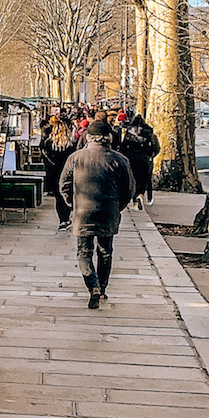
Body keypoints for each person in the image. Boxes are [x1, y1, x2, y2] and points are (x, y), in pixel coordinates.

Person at [60, 121, 135, 309]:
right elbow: (128, 189)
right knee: (105, 251)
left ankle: (92, 285)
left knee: (84, 251)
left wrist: (73, 203)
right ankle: (102, 287)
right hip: (108, 211)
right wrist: (118, 206)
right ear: (108, 138)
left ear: (88, 137)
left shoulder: (75, 158)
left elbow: (64, 185)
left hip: (82, 212)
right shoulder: (120, 160)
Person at [41, 115, 76, 230]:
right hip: (68, 172)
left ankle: (62, 220)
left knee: (58, 196)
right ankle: (67, 217)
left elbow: (44, 155)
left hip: (54, 172)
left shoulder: (49, 143)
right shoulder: (70, 144)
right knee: (67, 194)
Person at [120, 114, 157, 209]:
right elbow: (156, 147)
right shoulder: (149, 133)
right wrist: (150, 155)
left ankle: (135, 198)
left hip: (131, 159)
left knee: (133, 179)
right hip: (144, 159)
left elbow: (123, 147)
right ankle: (140, 195)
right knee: (143, 180)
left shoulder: (129, 133)